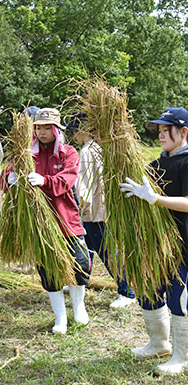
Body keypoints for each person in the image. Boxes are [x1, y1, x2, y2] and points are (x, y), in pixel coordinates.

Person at [3, 108, 92, 334]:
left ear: (56, 129)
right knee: (49, 270)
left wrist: (44, 180)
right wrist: (10, 179)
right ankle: (60, 318)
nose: (42, 132)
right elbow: (6, 179)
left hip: (66, 219)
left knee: (80, 264)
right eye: (38, 127)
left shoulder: (68, 153)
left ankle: (79, 307)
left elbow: (66, 180)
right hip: (39, 224)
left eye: (46, 127)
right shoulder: (25, 154)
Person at [119, 107, 188, 375]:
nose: (160, 135)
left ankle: (182, 357)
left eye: (166, 130)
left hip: (183, 244)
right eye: (158, 130)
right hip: (155, 245)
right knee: (148, 290)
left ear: (183, 131)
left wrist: (156, 200)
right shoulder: (156, 164)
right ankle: (159, 343)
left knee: (178, 298)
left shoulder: (186, 162)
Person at [67, 112, 136, 308]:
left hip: (94, 209)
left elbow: (85, 183)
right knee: (87, 248)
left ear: (83, 130)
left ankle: (127, 292)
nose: (74, 135)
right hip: (99, 206)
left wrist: (82, 205)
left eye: (75, 131)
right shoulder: (98, 148)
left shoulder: (88, 151)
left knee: (106, 251)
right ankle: (80, 280)